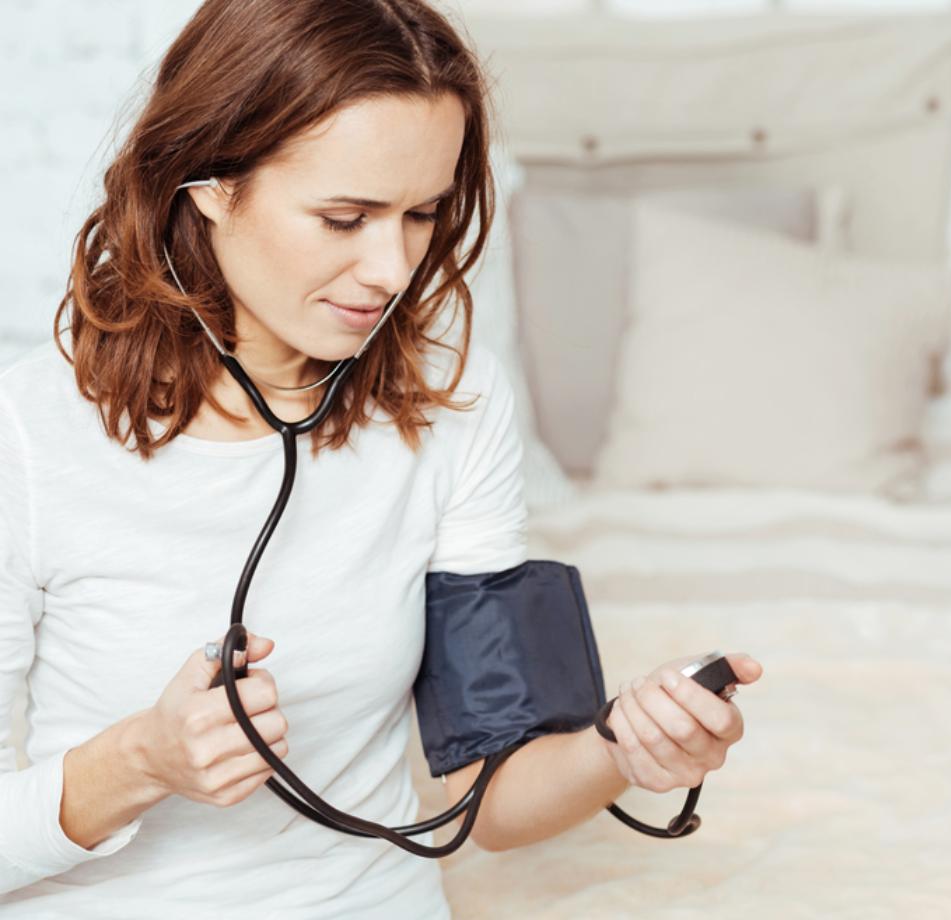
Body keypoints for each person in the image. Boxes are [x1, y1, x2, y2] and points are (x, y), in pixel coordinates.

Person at [0, 1, 762, 916]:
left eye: (423, 214)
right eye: (344, 217)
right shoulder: (27, 434)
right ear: (207, 185)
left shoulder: (455, 400)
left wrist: (622, 748)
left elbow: (491, 797)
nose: (393, 270)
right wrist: (139, 761)